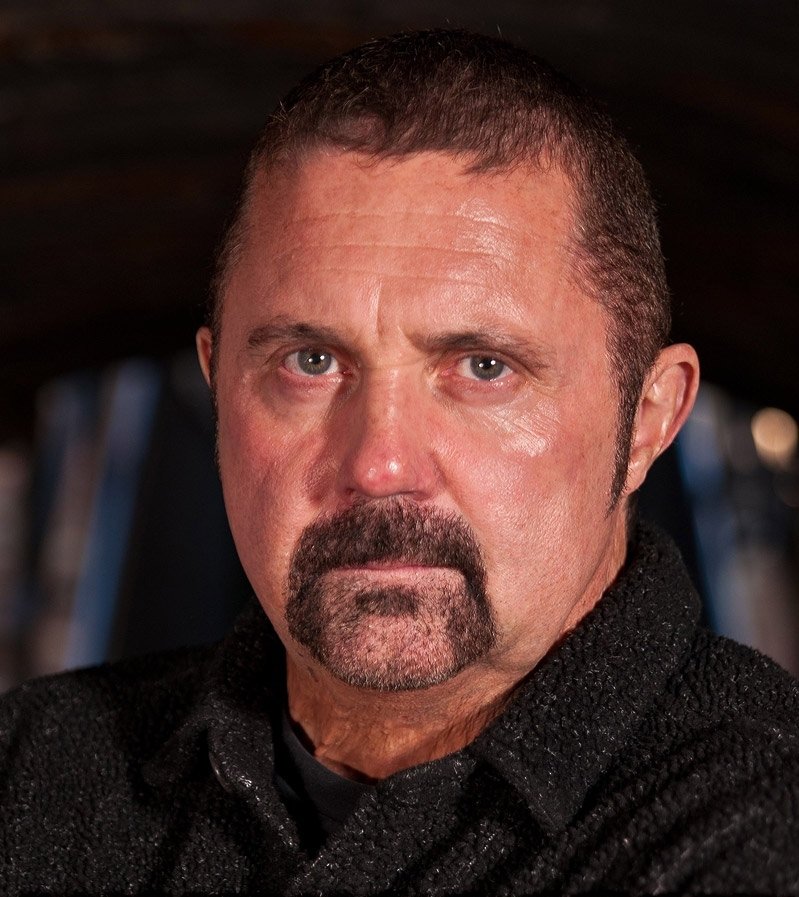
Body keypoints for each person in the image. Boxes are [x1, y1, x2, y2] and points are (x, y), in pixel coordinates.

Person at [1, 28, 798, 895]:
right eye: (310, 362)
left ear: (646, 420)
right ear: (217, 388)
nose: (380, 464)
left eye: (482, 368)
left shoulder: (758, 830)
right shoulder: (31, 773)